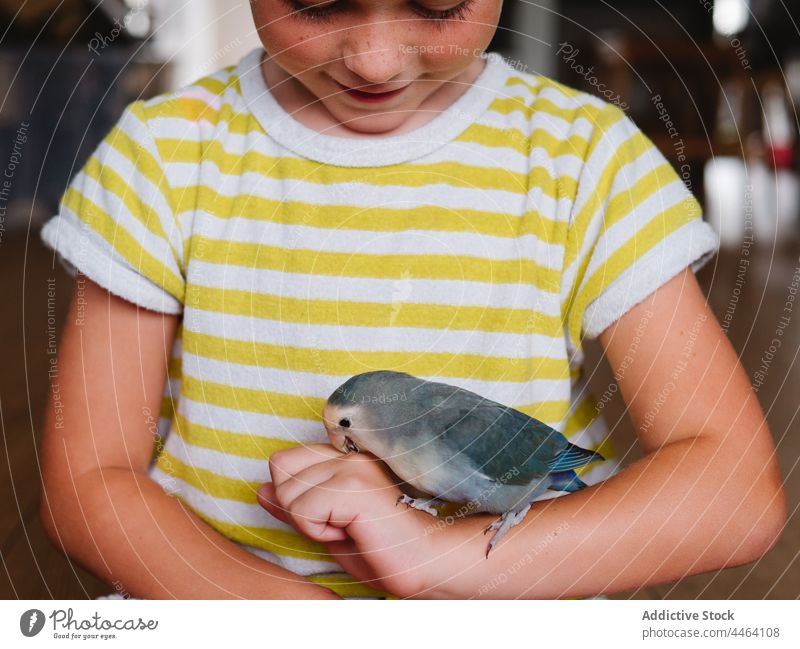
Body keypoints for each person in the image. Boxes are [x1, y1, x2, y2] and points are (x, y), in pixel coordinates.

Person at [39, 0, 785, 600]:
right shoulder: (162, 154)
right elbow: (88, 480)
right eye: (314, 2)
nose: (375, 59)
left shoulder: (590, 160)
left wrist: (435, 555)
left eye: (438, 5)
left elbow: (731, 494)